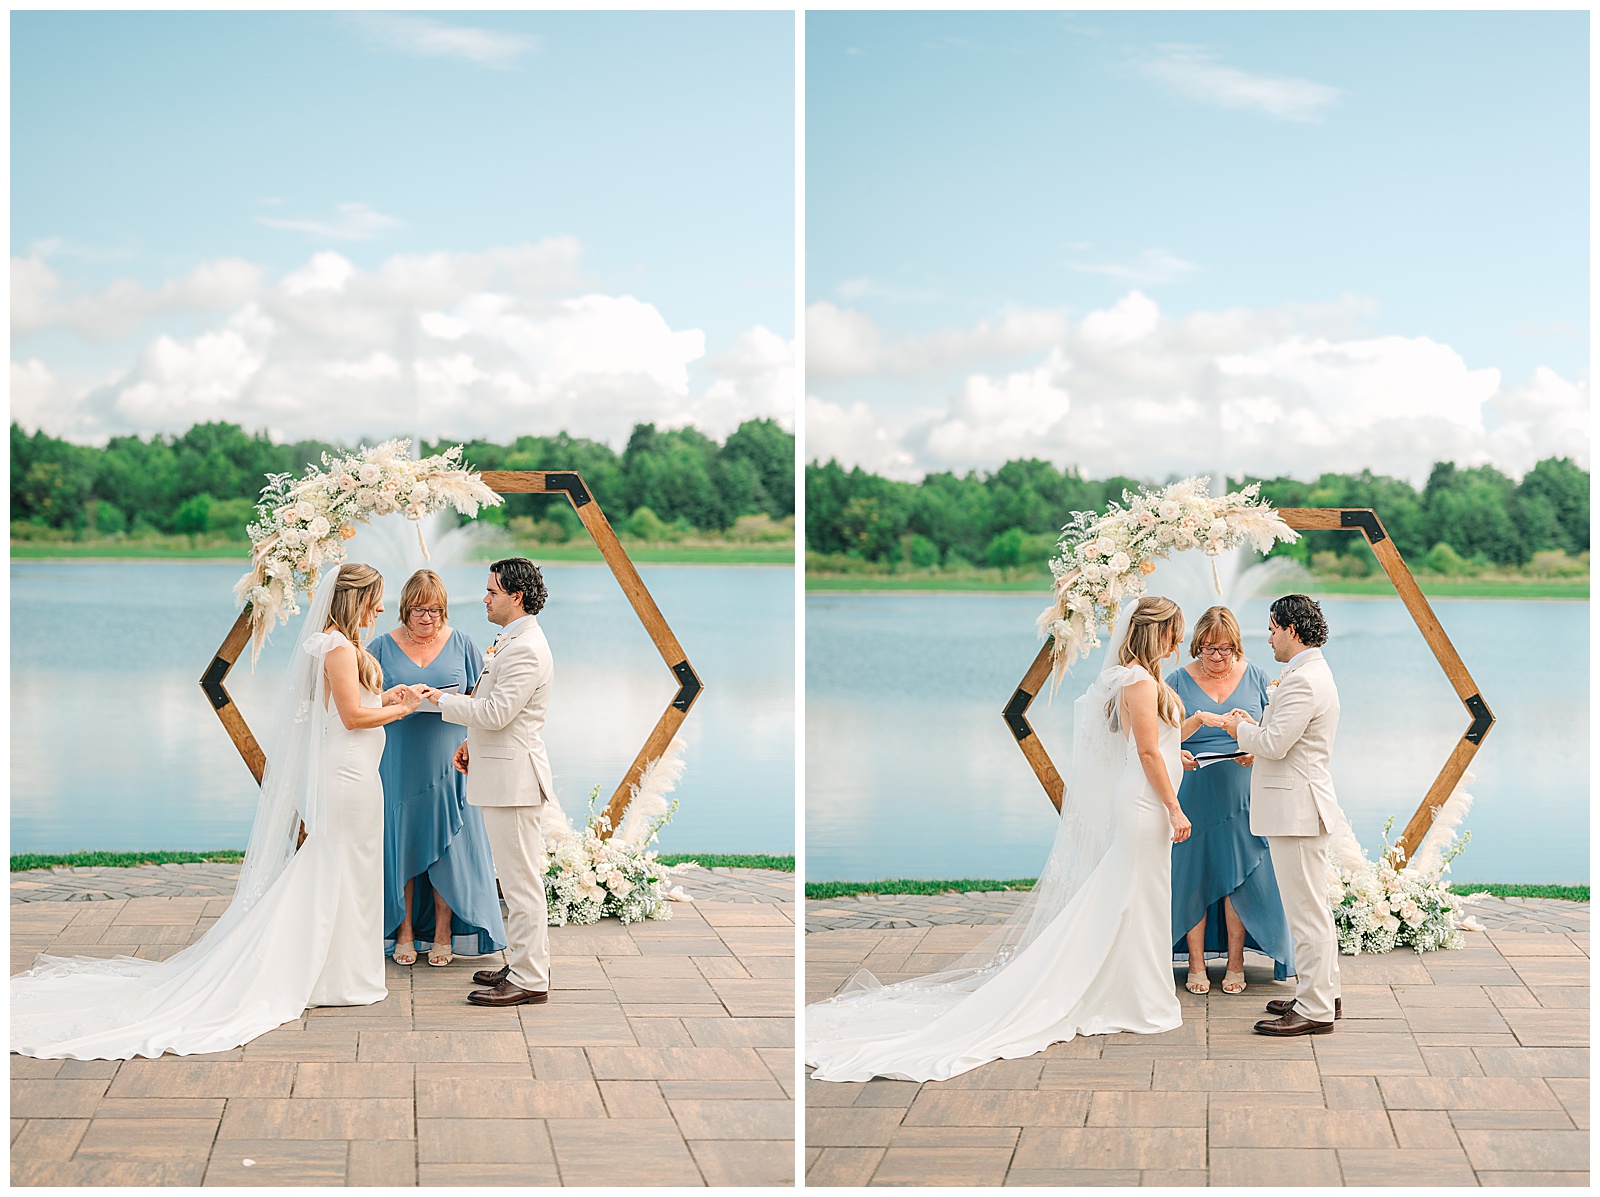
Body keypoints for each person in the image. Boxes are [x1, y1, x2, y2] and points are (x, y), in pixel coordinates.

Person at [11, 563, 422, 1059]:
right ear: (354, 599)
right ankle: (333, 977)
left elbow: (352, 705)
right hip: (348, 778)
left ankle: (341, 971)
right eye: (376, 598)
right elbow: (354, 718)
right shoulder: (335, 647)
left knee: (349, 870)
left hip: (358, 775)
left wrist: (390, 696)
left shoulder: (340, 645)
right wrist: (404, 709)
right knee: (340, 867)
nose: (382, 608)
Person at [806, 596, 1194, 1083]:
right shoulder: (1137, 682)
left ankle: (1132, 988)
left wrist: (1188, 743)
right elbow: (1145, 752)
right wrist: (1174, 807)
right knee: (1136, 896)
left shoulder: (1136, 678)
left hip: (1145, 798)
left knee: (1138, 897)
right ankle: (1133, 995)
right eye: (1175, 630)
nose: (1180, 639)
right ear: (1158, 632)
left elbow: (1158, 744)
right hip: (1144, 803)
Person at [416, 557, 556, 1008]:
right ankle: (520, 963)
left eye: (492, 591)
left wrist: (440, 700)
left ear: (516, 596)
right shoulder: (510, 640)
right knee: (513, 881)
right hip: (498, 769)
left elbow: (497, 713)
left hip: (515, 781)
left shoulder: (527, 649)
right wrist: (471, 745)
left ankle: (532, 979)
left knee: (521, 883)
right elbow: (490, 703)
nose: (485, 598)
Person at [1215, 594, 1344, 1036]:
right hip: (1300, 807)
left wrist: (1237, 728)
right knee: (1313, 910)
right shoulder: (1307, 673)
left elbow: (1273, 744)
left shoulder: (1304, 681)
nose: (1267, 639)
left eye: (1272, 630)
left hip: (1298, 810)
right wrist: (1254, 728)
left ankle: (1316, 1009)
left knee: (1306, 913)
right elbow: (1277, 737)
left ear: (1292, 629)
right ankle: (1322, 993)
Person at [371, 570, 507, 969]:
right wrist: (400, 698)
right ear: (405, 609)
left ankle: (445, 931)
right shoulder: (380, 646)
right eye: (419, 610)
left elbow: (479, 699)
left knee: (448, 844)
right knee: (404, 841)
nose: (427, 618)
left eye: (435, 610)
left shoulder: (462, 643)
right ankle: (404, 930)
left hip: (450, 757)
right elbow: (365, 701)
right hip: (399, 757)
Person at [1168, 605, 1294, 996]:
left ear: (1236, 645)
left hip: (1244, 792)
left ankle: (1236, 963)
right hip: (1194, 792)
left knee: (1239, 876)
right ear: (1196, 646)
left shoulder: (1256, 675)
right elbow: (1160, 738)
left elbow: (1273, 732)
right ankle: (1195, 963)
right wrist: (1179, 754)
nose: (1218, 657)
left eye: (1225, 649)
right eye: (1208, 649)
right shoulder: (1175, 679)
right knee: (1193, 876)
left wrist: (1254, 745)